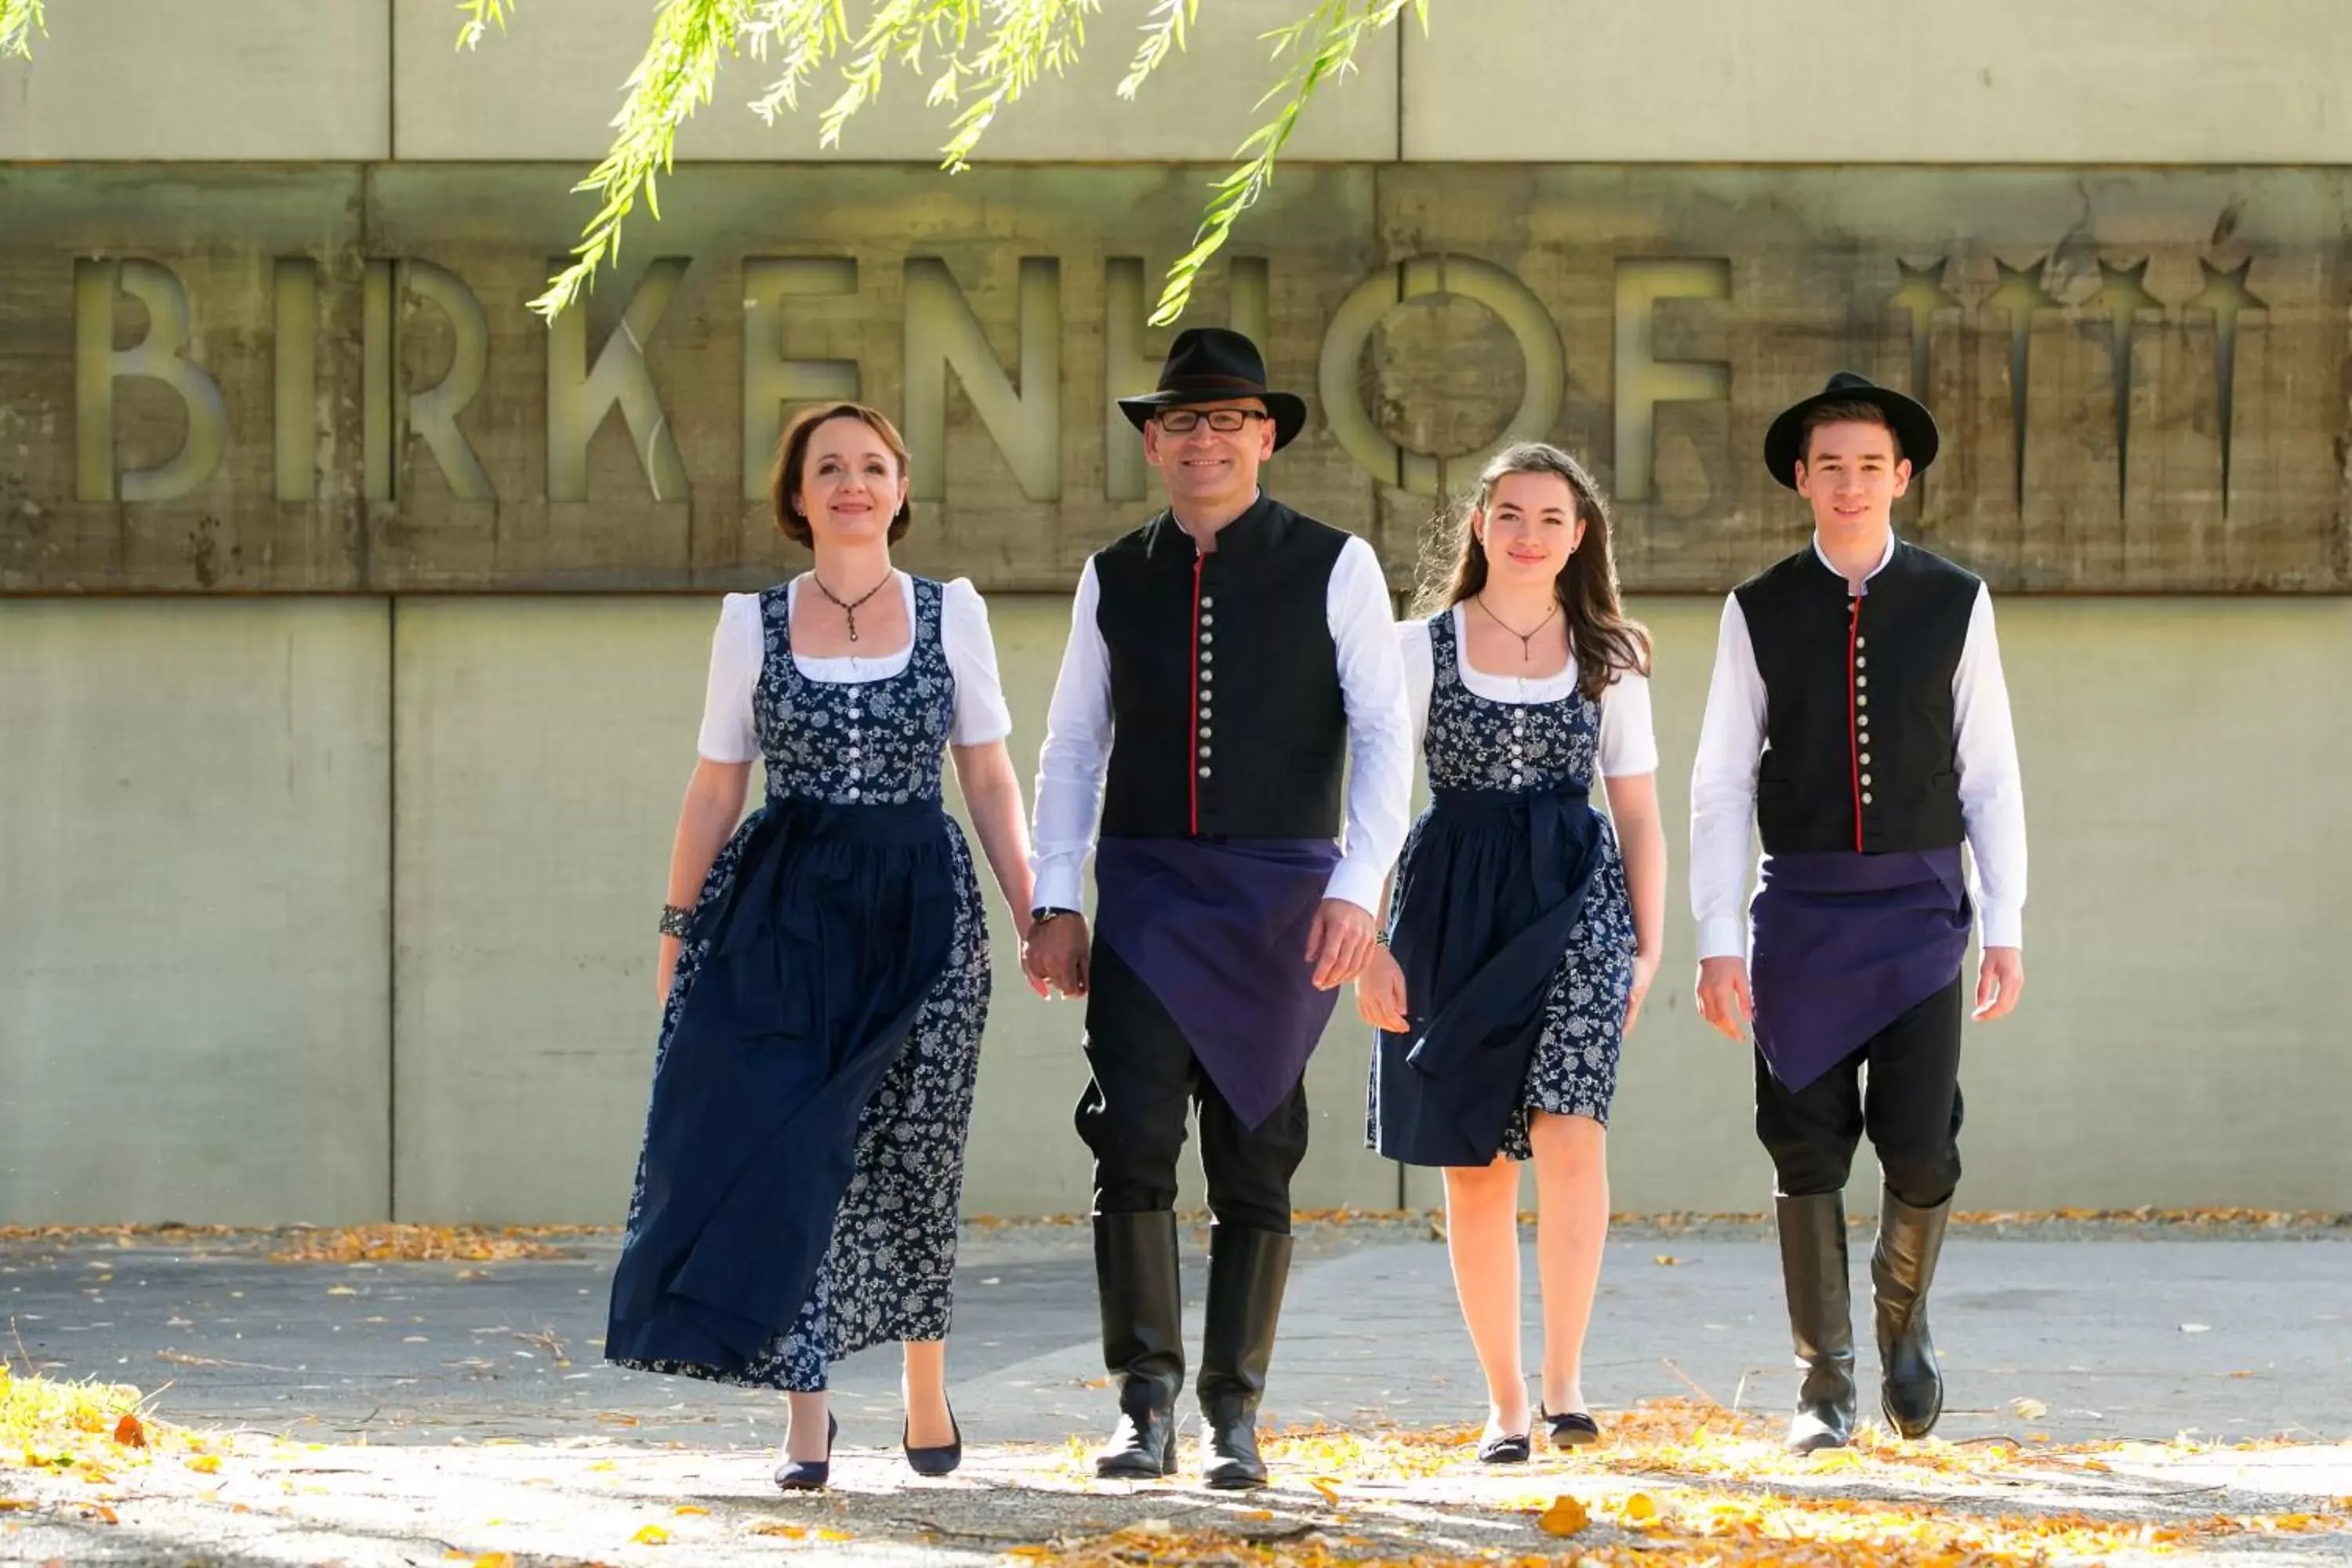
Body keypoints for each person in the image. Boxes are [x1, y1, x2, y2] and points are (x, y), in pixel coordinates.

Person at [604, 402, 1039, 1491]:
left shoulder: (954, 615)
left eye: (874, 466)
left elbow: (986, 776)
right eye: (829, 467)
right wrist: (675, 921)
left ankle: (924, 1387)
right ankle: (807, 1418)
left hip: (919, 904)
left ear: (901, 489)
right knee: (793, 1154)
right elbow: (716, 784)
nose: (853, 483)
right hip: (781, 914)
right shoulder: (751, 621)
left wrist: (1040, 914)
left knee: (915, 1149)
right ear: (796, 496)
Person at [1023, 328, 1414, 1490]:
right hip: (1145, 893)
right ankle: (1142, 1405)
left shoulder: (1337, 565)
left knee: (1258, 1152)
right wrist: (1056, 895)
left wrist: (1358, 888)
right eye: (1184, 420)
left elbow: (1390, 733)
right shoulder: (1115, 572)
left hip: (1284, 900)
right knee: (1132, 1139)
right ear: (1154, 441)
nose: (1207, 439)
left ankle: (1234, 1412)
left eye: (1229, 419)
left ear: (1268, 436)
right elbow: (1074, 745)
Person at [1689, 372, 2027, 1453]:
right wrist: (1716, 939)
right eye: (1828, 464)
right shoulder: (1757, 608)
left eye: (1868, 465)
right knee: (1805, 1149)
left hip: (1923, 911)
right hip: (1801, 916)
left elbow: (1991, 773)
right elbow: (1720, 781)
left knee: (1921, 1149)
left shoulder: (1954, 600)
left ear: (1902, 477)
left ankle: (1903, 1324)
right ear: (1801, 477)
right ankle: (1823, 1386)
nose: (1848, 483)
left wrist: (2006, 918)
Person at [1356, 442, 1664, 1461]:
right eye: (1511, 514)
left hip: (1578, 899)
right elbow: (1375, 802)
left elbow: (1638, 814)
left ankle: (1568, 1384)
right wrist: (1371, 939)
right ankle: (1505, 1406)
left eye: (1551, 518)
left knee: (1574, 1134)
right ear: (1480, 525)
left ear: (1581, 539)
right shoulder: (1416, 648)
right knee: (1476, 1160)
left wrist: (1649, 946)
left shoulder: (1609, 653)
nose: (1529, 534)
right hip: (1450, 900)